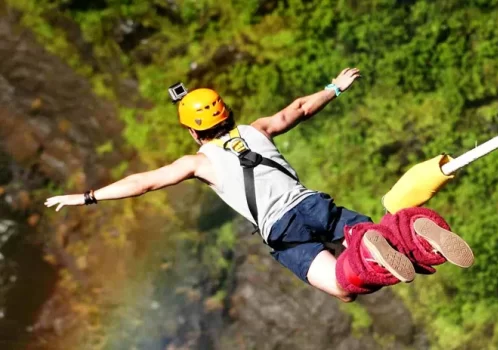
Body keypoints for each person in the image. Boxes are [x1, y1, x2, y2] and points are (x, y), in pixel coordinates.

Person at [45, 67, 474, 302]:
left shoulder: (197, 162)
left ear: (194, 133)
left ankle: (367, 255)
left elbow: (142, 183)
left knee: (343, 286)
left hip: (282, 232)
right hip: (313, 204)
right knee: (377, 236)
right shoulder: (257, 130)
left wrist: (87, 196)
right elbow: (299, 109)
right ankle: (411, 234)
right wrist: (334, 88)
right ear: (228, 116)